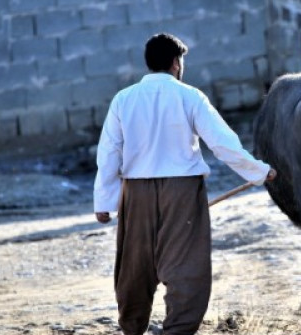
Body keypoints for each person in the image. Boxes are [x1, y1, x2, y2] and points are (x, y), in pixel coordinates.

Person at [93, 33, 276, 335]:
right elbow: (222, 143)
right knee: (185, 267)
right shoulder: (190, 96)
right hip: (182, 192)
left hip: (135, 194)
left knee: (134, 268)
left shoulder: (123, 99)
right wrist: (259, 171)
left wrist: (104, 203)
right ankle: (177, 330)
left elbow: (109, 153)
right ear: (177, 63)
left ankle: (132, 328)